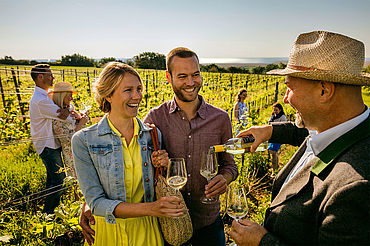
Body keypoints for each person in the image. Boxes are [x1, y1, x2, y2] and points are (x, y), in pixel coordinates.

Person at [79, 48, 238, 246]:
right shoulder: (154, 120)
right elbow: (126, 166)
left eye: (195, 75)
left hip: (208, 222)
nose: (190, 82)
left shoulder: (221, 119)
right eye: (182, 76)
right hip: (167, 225)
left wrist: (225, 178)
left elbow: (230, 165)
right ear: (168, 77)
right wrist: (89, 203)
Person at [229, 30, 370, 245]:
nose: (285, 99)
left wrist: (262, 242)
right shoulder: (336, 127)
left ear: (324, 91)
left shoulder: (356, 189)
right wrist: (269, 130)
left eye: (290, 88)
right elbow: (303, 131)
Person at [71, 62, 184, 246]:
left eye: (139, 89)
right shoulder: (84, 141)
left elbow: (161, 182)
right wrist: (152, 209)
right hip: (108, 231)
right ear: (108, 95)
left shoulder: (152, 135)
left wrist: (165, 165)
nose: (137, 96)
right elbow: (96, 203)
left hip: (148, 232)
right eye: (128, 90)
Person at [29, 64, 70, 214]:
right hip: (47, 146)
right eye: (50, 74)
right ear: (40, 77)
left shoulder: (47, 95)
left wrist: (66, 107)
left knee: (53, 180)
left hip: (51, 143)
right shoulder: (41, 100)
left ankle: (48, 215)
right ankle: (48, 214)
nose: (53, 77)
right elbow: (65, 116)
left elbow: (64, 109)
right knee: (60, 181)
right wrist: (68, 109)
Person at [49, 82, 88, 178]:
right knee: (77, 180)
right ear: (61, 97)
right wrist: (81, 123)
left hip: (81, 151)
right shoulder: (57, 116)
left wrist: (79, 118)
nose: (72, 98)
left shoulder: (68, 109)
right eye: (69, 96)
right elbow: (68, 140)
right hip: (72, 155)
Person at [267, 102, 287, 171]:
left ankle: (274, 169)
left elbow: (284, 128)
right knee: (272, 152)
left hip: (278, 137)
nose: (275, 111)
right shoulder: (273, 117)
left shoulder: (283, 118)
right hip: (272, 136)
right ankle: (276, 168)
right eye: (274, 110)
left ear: (280, 110)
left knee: (273, 152)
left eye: (276, 110)